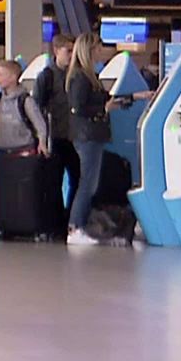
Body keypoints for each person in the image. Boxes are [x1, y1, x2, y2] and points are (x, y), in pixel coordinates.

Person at [64, 34, 112, 247]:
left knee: (89, 184)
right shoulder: (81, 77)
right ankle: (75, 227)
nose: (101, 51)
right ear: (90, 50)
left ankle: (78, 226)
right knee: (86, 184)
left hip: (90, 135)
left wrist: (134, 97)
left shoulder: (89, 76)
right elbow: (78, 108)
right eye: (99, 47)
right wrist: (103, 109)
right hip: (87, 136)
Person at [32, 35, 79, 212]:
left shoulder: (76, 75)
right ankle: (56, 219)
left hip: (72, 136)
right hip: (55, 137)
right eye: (68, 51)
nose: (71, 55)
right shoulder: (47, 77)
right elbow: (36, 109)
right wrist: (41, 139)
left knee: (78, 178)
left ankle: (70, 216)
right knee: (53, 182)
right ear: (56, 50)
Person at [0, 58, 49, 158]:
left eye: (1, 75)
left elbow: (39, 124)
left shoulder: (25, 101)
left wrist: (42, 142)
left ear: (13, 77)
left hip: (24, 151)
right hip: (3, 152)